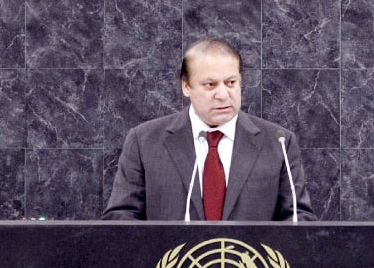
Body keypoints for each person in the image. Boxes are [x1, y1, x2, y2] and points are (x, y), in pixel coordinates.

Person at [102, 38, 316, 221]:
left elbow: (298, 220)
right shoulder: (144, 141)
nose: (223, 94)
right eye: (210, 85)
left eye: (231, 82)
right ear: (186, 86)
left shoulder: (278, 142)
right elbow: (121, 219)